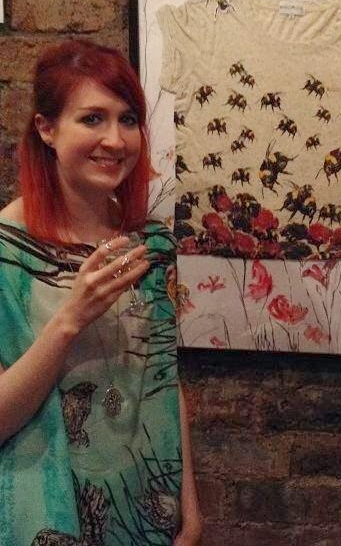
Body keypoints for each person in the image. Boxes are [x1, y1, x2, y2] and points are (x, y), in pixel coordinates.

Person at [0, 40, 202, 545]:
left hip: (143, 508)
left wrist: (189, 508)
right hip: (45, 511)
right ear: (47, 129)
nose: (115, 139)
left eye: (127, 119)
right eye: (92, 118)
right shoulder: (7, 252)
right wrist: (70, 318)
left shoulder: (151, 244)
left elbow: (163, 378)